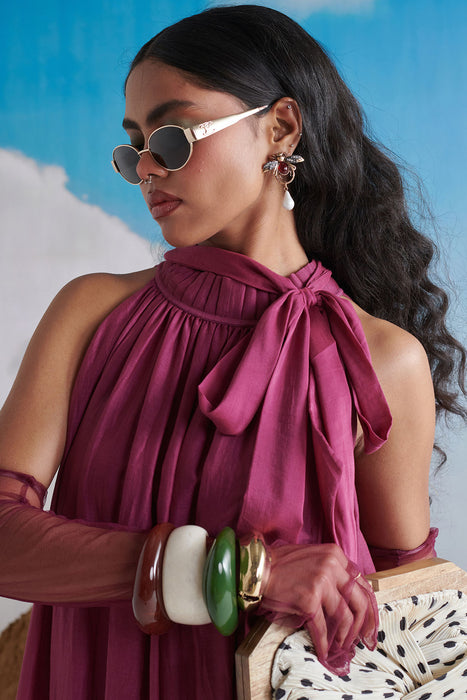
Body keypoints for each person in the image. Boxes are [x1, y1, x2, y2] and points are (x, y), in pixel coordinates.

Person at [0, 5, 465, 699]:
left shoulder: (381, 359)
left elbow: (411, 613)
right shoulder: (92, 312)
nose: (146, 169)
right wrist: (241, 573)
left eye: (172, 137)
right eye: (133, 148)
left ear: (279, 128)